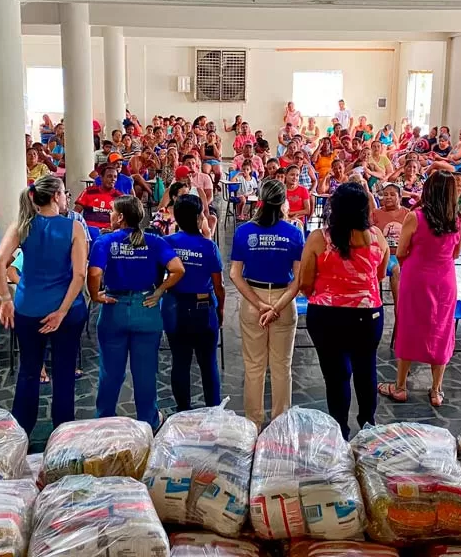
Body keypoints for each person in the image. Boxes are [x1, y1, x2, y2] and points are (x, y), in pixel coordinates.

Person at [0, 175, 88, 436]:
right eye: (64, 194)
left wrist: (4, 300)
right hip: (66, 310)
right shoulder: (73, 228)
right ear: (56, 196)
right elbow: (79, 275)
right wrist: (62, 311)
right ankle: (63, 433)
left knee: (29, 371)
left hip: (28, 308)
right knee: (65, 372)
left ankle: (21, 433)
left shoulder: (22, 226)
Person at [299, 183, 389, 439]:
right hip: (367, 314)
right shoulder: (377, 237)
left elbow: (305, 281)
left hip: (327, 316)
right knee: (366, 369)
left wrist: (326, 296)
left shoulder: (320, 238)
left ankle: (340, 429)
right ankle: (368, 424)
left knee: (336, 376)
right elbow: (379, 275)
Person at [88, 196, 185, 429]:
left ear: (120, 217)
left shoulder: (105, 242)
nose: (110, 215)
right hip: (146, 307)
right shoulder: (154, 241)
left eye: (112, 211)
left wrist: (95, 295)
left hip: (114, 308)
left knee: (110, 373)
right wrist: (160, 290)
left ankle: (105, 423)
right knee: (145, 373)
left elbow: (93, 274)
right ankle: (148, 424)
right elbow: (177, 269)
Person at [378, 171, 461, 407]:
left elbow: (401, 251)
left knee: (409, 326)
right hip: (445, 280)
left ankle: (400, 386)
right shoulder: (456, 219)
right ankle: (436, 390)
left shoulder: (416, 217)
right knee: (441, 329)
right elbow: (455, 253)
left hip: (416, 278)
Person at [229, 179, 304, 428]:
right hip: (284, 301)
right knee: (282, 366)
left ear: (259, 200)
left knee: (254, 366)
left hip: (253, 301)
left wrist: (260, 305)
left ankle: (253, 424)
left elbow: (235, 275)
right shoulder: (294, 233)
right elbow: (299, 279)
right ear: (283, 202)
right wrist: (276, 307)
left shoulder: (244, 232)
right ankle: (281, 424)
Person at [163, 194, 225, 411]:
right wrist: (220, 310)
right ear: (200, 218)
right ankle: (213, 412)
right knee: (208, 364)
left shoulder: (167, 243)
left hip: (174, 309)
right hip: (203, 309)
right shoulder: (209, 247)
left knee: (180, 362)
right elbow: (219, 286)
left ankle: (183, 411)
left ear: (176, 217)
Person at [371, 183, 409, 306]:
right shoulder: (375, 213)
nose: (388, 197)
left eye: (392, 194)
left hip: (402, 255)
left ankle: (400, 314)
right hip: (381, 255)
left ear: (400, 197)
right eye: (385, 194)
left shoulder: (408, 214)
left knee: (398, 269)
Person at [76, 165, 123, 231]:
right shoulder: (89, 191)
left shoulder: (119, 196)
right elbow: (76, 211)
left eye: (115, 177)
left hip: (108, 232)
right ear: (101, 178)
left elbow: (122, 219)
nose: (113, 179)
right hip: (88, 230)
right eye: (109, 176)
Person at [284, 164, 312, 229]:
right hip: (283, 219)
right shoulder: (281, 189)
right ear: (286, 175)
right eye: (292, 175)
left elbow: (307, 210)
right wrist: (287, 217)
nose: (295, 177)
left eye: (297, 175)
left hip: (298, 221)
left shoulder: (303, 190)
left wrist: (291, 214)